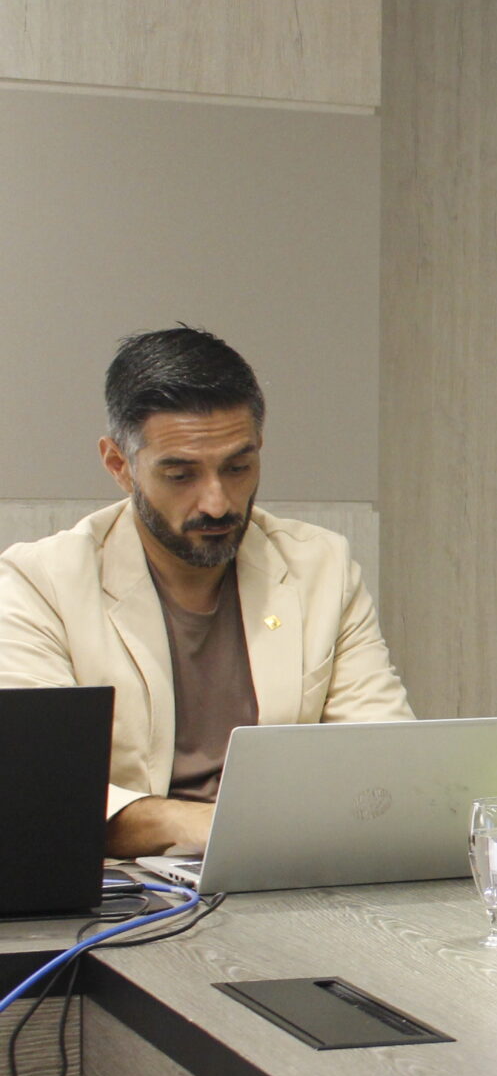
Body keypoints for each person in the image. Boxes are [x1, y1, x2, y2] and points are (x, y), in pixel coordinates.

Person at [0, 327, 413, 856]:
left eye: (238, 468)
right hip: (126, 888)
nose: (217, 502)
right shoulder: (42, 583)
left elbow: (384, 757)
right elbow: (44, 795)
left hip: (290, 870)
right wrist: (207, 824)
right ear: (119, 466)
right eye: (180, 475)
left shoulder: (320, 568)